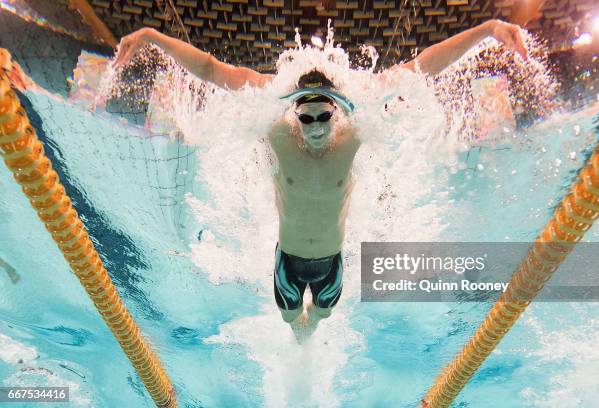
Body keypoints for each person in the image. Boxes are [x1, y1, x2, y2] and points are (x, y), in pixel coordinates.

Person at [113, 19, 528, 342]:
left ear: (337, 110)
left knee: (322, 318)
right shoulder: (277, 130)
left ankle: (311, 333)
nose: (313, 126)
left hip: (332, 264)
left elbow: (422, 67)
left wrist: (488, 30)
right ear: (293, 110)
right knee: (294, 324)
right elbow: (210, 69)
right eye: (305, 116)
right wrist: (151, 36)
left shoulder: (354, 131)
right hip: (287, 263)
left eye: (323, 116)